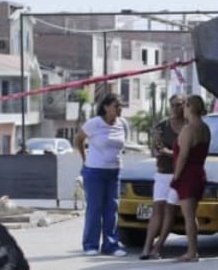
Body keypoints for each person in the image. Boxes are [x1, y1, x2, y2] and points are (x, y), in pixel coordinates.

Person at [75, 93, 129, 257]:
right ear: (106, 107)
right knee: (95, 208)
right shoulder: (95, 123)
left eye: (120, 106)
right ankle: (90, 244)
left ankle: (111, 244)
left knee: (112, 208)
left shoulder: (123, 124)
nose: (119, 109)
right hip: (94, 171)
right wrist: (84, 158)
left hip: (114, 171)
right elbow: (78, 139)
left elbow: (122, 144)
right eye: (115, 106)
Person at [141, 94, 187, 260]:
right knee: (157, 210)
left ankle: (157, 248)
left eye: (180, 104)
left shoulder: (189, 126)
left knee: (170, 210)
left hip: (179, 174)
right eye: (174, 105)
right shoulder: (163, 126)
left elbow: (188, 152)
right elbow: (154, 150)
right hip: (162, 172)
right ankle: (147, 247)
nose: (177, 108)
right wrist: (157, 149)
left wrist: (169, 152)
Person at [170, 95, 211, 263]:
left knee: (188, 216)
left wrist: (176, 176)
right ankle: (193, 251)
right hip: (199, 172)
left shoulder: (188, 130)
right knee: (191, 215)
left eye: (185, 105)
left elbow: (183, 156)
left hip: (187, 175)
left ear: (189, 107)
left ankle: (191, 252)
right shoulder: (205, 128)